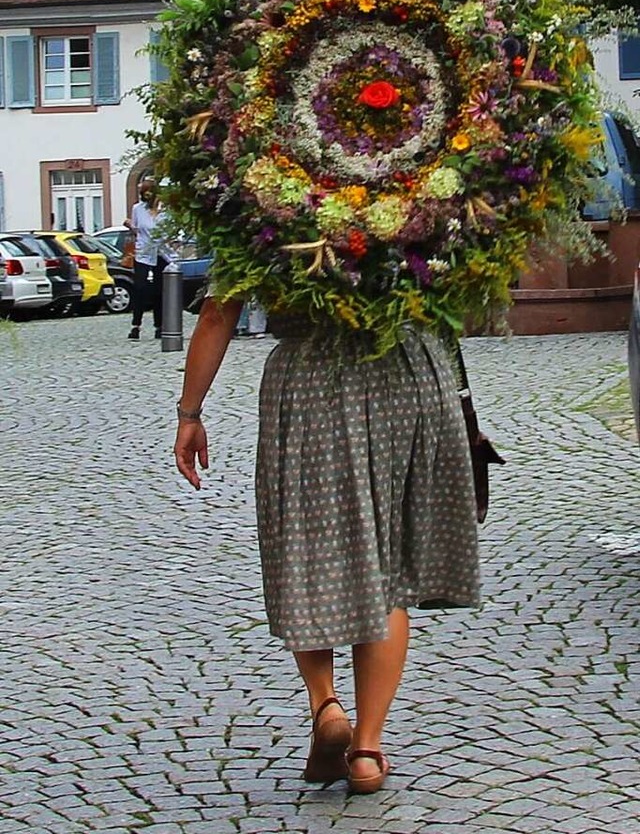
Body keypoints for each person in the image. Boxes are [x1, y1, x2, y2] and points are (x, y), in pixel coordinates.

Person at [174, 300, 480, 794]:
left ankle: (326, 704)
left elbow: (218, 314)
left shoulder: (254, 218)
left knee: (304, 548)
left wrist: (190, 412)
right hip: (406, 372)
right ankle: (366, 751)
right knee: (389, 566)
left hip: (310, 377)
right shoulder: (427, 217)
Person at [124, 180, 172, 340]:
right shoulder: (137, 209)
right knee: (140, 288)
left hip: (161, 253)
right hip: (143, 253)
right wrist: (130, 226)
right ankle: (135, 325)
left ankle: (159, 325)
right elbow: (136, 229)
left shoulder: (165, 210)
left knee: (159, 291)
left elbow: (169, 230)